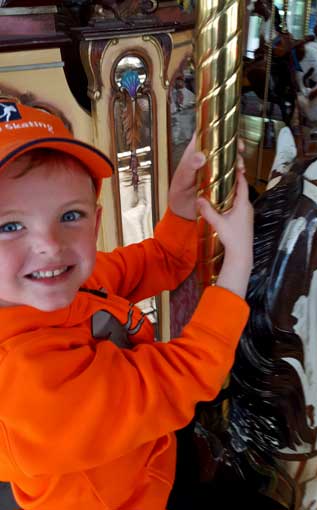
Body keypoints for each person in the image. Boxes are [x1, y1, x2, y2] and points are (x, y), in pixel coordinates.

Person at [0, 100, 253, 510]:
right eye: (10, 225)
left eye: (70, 215)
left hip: (152, 459)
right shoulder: (26, 379)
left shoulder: (70, 283)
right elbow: (184, 375)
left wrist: (182, 205)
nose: (50, 246)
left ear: (96, 223)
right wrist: (239, 261)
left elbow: (161, 259)